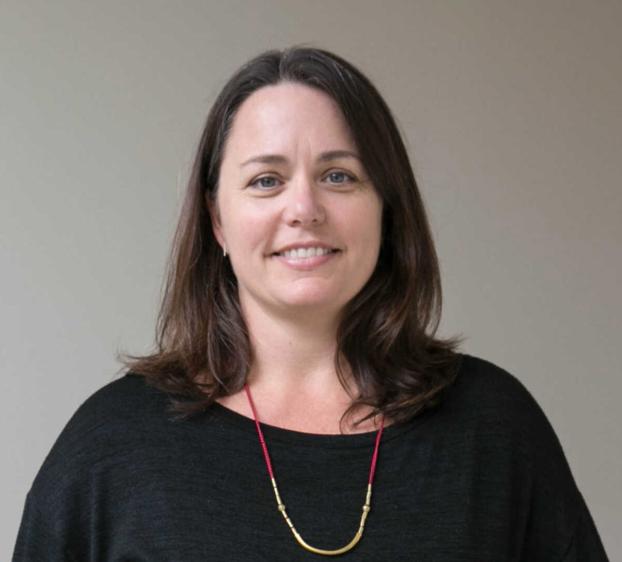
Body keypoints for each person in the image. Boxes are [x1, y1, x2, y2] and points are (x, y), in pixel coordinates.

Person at [13, 46, 609, 561]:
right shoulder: (112, 447)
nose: (304, 208)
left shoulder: (495, 429)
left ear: (386, 207)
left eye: (340, 176)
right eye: (266, 180)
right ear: (217, 220)